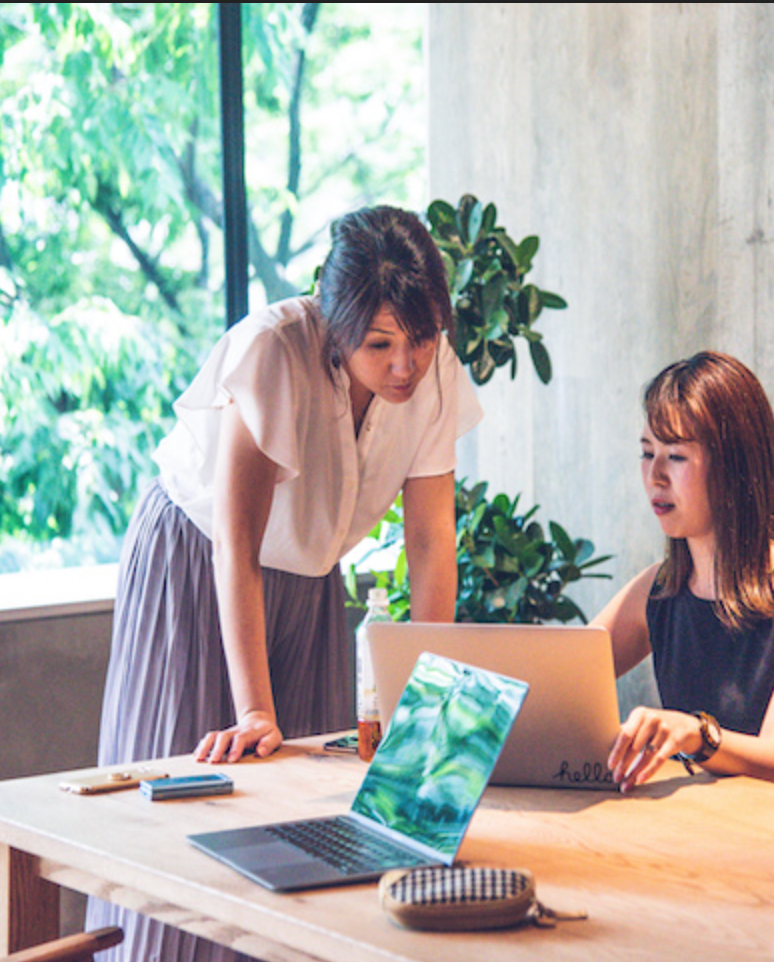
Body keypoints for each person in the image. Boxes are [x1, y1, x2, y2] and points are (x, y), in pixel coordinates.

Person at [87, 205, 482, 962]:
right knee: (197, 803)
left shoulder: (435, 378)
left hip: (307, 579)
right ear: (336, 327)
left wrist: (420, 706)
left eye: (422, 339)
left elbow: (433, 543)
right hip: (197, 562)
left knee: (312, 823)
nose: (406, 365)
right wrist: (255, 708)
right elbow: (235, 546)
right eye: (380, 345)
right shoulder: (273, 347)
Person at [594, 351, 774, 795]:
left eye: (675, 456)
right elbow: (561, 677)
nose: (654, 476)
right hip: (706, 831)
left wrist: (696, 733)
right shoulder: (658, 589)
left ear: (733, 466)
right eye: (646, 453)